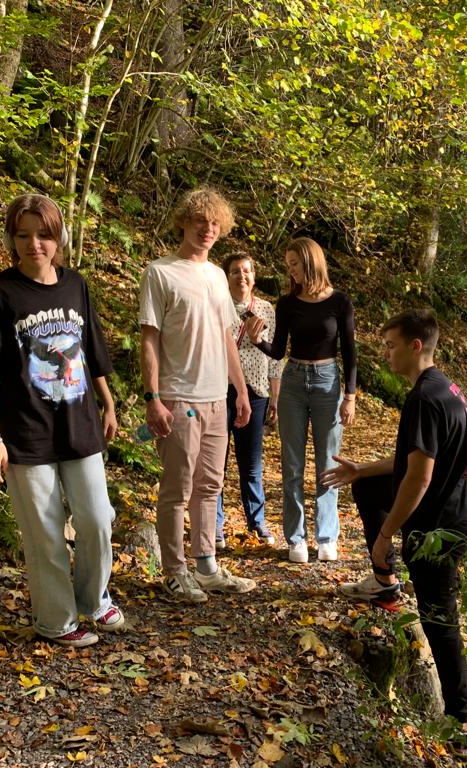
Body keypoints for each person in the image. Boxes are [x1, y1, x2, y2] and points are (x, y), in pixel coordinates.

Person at [0, 194, 126, 648]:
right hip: (24, 430)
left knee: (96, 519)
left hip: (80, 424)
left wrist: (108, 403)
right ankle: (56, 620)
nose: (35, 244)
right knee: (45, 534)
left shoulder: (76, 285)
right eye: (24, 235)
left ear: (59, 238)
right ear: (12, 239)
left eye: (44, 235)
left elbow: (92, 350)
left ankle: (94, 599)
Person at [321, 309, 467, 753]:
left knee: (439, 619)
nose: (384, 352)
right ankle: (385, 585)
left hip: (439, 527)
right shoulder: (442, 385)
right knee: (369, 487)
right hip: (447, 513)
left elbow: (419, 478)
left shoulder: (425, 399)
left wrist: (386, 534)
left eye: (390, 345)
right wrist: (363, 470)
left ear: (415, 347)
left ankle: (460, 722)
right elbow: (415, 461)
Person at [138, 187, 258, 602]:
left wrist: (240, 390)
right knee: (177, 489)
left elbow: (227, 337)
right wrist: (152, 397)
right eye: (200, 221)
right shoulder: (160, 271)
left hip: (215, 399)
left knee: (210, 485)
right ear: (184, 222)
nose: (207, 229)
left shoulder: (216, 277)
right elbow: (149, 339)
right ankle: (174, 571)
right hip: (178, 397)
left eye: (214, 224)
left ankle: (206, 565)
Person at [245, 237, 357, 563]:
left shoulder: (340, 301)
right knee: (292, 465)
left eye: (294, 263)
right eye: (288, 265)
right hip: (294, 382)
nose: (290, 270)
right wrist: (258, 341)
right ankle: (295, 538)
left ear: (310, 262)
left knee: (328, 463)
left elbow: (350, 352)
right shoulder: (287, 303)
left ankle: (326, 536)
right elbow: (278, 351)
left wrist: (349, 397)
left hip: (327, 384)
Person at [215, 252, 282, 549]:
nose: (241, 276)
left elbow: (276, 357)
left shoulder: (266, 309)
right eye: (234, 271)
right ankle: (214, 524)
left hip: (256, 393)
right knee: (216, 462)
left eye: (246, 271)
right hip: (218, 389)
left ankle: (257, 521)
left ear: (254, 276)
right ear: (225, 276)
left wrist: (275, 398)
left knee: (251, 464)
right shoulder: (217, 306)